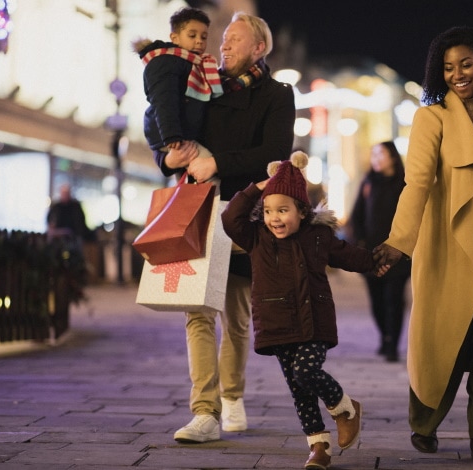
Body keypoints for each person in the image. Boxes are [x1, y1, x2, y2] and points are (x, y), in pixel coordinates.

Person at [373, 26, 473, 466]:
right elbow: (418, 183)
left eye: (466, 64)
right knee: (443, 337)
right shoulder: (434, 118)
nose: (457, 74)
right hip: (448, 246)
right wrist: (398, 242)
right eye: (448, 68)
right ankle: (424, 423)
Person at [153, 12, 295, 443]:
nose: (223, 45)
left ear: (259, 48)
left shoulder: (276, 94)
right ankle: (205, 412)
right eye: (223, 39)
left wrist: (219, 163)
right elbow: (172, 134)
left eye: (234, 39)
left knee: (235, 315)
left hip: (243, 213)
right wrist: (166, 159)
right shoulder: (202, 87)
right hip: (199, 209)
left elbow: (274, 154)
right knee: (198, 312)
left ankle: (232, 396)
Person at [221, 152, 387, 469]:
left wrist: (379, 262)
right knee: (299, 390)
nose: (275, 218)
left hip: (314, 322)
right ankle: (318, 447)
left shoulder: (318, 236)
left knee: (306, 371)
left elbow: (349, 255)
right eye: (268, 211)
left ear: (301, 210)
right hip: (276, 324)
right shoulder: (255, 236)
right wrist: (262, 185)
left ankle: (345, 408)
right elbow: (231, 217)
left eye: (283, 210)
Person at [349, 141, 410, 362]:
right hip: (371, 255)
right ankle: (384, 336)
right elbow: (357, 216)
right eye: (373, 154)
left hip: (398, 255)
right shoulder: (368, 182)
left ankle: (392, 344)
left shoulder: (405, 184)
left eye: (380, 154)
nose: (375, 158)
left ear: (392, 157)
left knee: (394, 299)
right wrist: (359, 245)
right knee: (376, 302)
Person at [133, 7, 222, 160]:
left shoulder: (197, 64)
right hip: (171, 136)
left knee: (191, 180)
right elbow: (164, 100)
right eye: (192, 35)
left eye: (204, 36)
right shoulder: (165, 61)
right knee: (210, 168)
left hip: (183, 135)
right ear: (175, 38)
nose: (199, 41)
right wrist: (171, 135)